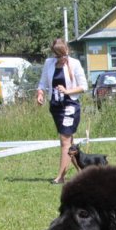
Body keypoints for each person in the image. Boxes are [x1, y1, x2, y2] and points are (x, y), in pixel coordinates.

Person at [37, 38, 88, 184]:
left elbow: (84, 86)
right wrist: (40, 94)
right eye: (58, 56)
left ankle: (60, 177)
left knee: (65, 141)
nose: (61, 59)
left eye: (63, 55)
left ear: (67, 51)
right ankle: (83, 172)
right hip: (55, 106)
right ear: (54, 54)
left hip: (70, 105)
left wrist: (67, 91)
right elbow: (42, 82)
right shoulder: (48, 63)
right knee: (69, 142)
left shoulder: (75, 63)